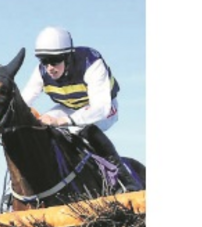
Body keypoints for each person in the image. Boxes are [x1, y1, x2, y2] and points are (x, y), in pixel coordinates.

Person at [20, 26, 136, 186]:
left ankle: (126, 180)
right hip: (70, 108)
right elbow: (23, 101)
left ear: (68, 57)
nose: (50, 68)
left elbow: (100, 108)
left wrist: (63, 121)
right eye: (44, 61)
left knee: (85, 129)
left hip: (104, 108)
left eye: (54, 61)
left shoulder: (91, 63)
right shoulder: (41, 71)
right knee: (41, 129)